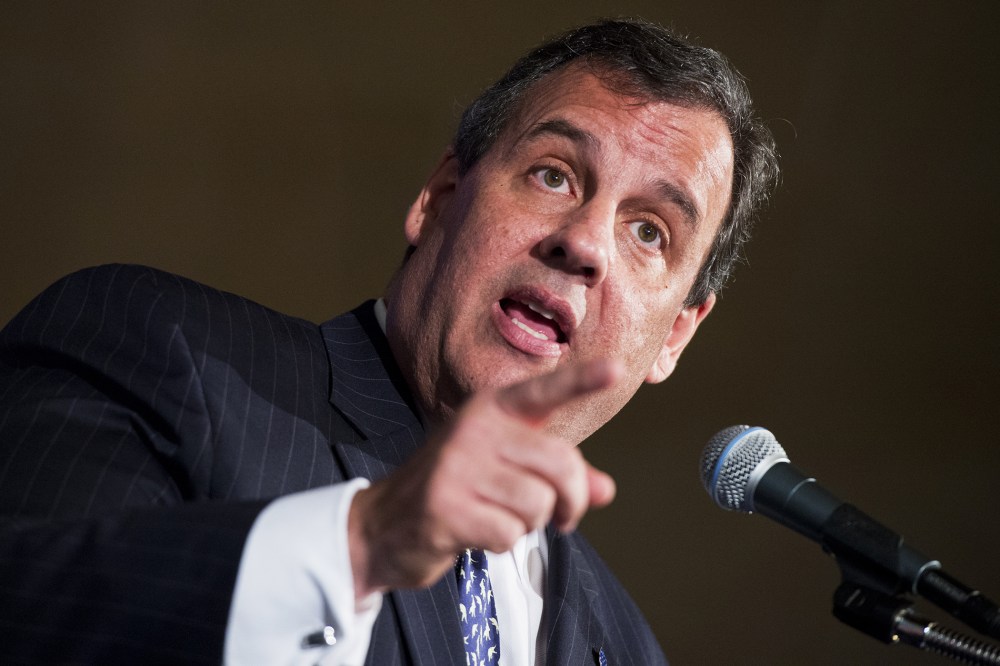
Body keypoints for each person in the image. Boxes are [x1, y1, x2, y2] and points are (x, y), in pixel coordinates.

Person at [0, 18, 778, 665]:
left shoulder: (628, 646)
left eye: (650, 231)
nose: (585, 243)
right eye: (553, 175)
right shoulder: (164, 349)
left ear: (675, 333)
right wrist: (360, 544)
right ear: (439, 200)